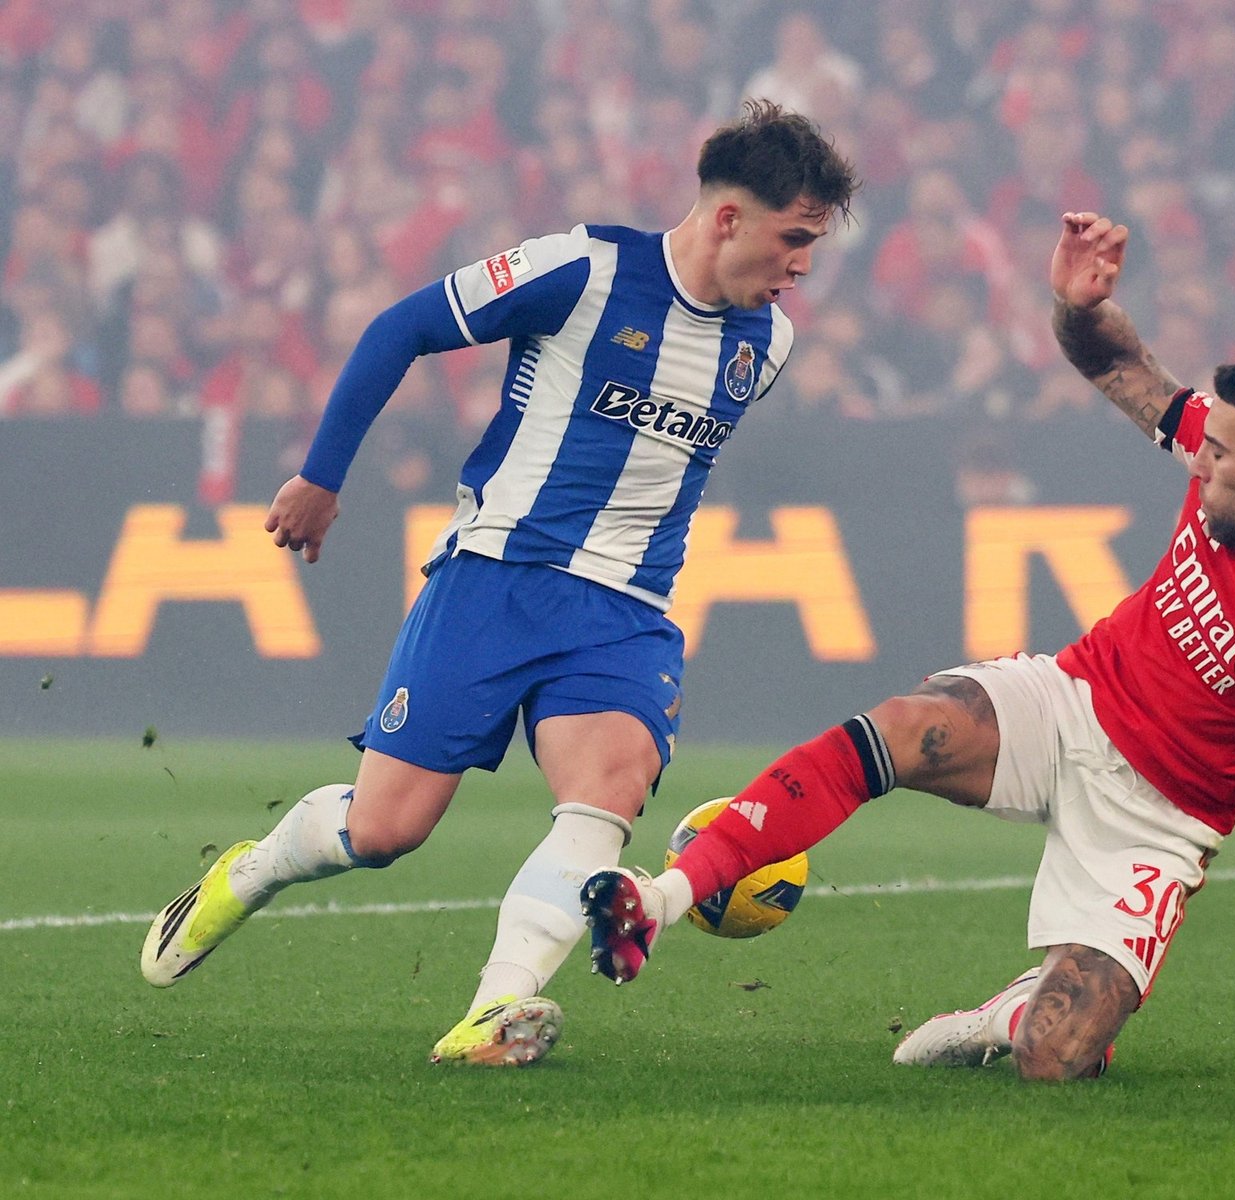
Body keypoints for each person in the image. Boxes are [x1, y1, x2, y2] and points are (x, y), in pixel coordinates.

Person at [582, 211, 1235, 1082]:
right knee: (906, 726)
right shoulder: (1218, 449)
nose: (1199, 452)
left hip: (1163, 818)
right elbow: (1113, 363)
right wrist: (1076, 304)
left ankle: (1016, 1008)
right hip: (1072, 701)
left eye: (1219, 452)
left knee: (1054, 1061)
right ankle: (659, 898)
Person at [139, 100, 860, 1067]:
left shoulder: (763, 346)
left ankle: (496, 1008)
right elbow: (402, 328)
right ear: (729, 217)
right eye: (795, 238)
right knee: (386, 828)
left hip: (627, 609)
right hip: (496, 578)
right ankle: (253, 870)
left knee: (606, 796)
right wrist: (322, 474)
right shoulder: (583, 270)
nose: (803, 265)